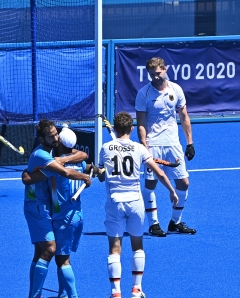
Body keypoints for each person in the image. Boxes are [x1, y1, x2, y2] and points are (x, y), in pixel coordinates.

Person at [98, 111, 179, 298]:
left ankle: (116, 292)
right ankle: (136, 289)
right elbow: (159, 173)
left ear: (115, 129)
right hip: (135, 203)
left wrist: (102, 172)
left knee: (114, 249)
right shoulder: (139, 149)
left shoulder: (105, 148)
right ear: (132, 129)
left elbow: (101, 176)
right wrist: (171, 191)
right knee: (137, 245)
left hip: (115, 203)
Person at [22, 125, 99, 298]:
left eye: (57, 135)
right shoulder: (46, 156)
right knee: (53, 252)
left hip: (58, 214)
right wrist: (88, 174)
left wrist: (61, 163)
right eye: (52, 136)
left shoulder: (54, 158)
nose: (55, 138)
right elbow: (82, 159)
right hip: (57, 210)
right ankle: (59, 294)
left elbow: (28, 177)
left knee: (53, 253)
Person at [135, 56, 196, 236]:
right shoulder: (143, 94)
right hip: (153, 144)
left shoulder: (176, 90)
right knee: (151, 183)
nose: (155, 77)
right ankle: (154, 224)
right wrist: (144, 145)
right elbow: (140, 123)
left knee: (184, 183)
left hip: (173, 145)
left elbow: (184, 117)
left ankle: (175, 222)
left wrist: (190, 143)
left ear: (165, 69)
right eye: (152, 74)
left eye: (158, 73)